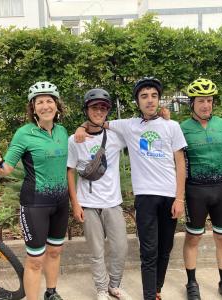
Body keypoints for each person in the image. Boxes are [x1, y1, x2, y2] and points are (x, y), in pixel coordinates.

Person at [76, 77, 187, 300]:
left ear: (159, 99)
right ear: (137, 101)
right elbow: (98, 122)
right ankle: (149, 296)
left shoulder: (172, 126)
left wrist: (180, 198)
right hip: (145, 196)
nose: (150, 100)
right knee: (148, 251)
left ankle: (157, 290)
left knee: (165, 248)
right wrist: (80, 126)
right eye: (144, 96)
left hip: (169, 196)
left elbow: (180, 163)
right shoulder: (128, 125)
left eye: (154, 96)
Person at [0, 81, 68, 300]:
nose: (45, 106)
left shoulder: (62, 131)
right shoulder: (24, 133)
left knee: (55, 251)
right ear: (33, 108)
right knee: (35, 260)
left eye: (49, 101)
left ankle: (51, 293)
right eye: (39, 102)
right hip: (35, 204)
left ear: (57, 105)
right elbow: (6, 169)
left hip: (61, 202)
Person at [67, 88, 132, 300]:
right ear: (86, 109)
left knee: (120, 248)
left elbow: (138, 127)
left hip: (112, 203)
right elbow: (70, 171)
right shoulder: (74, 140)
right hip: (88, 203)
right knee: (96, 252)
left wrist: (162, 116)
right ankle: (102, 289)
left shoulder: (115, 137)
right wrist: (75, 204)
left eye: (103, 107)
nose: (99, 111)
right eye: (95, 107)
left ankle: (114, 285)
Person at [181, 78, 222, 300]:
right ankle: (192, 283)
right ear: (192, 103)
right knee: (193, 238)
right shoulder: (182, 128)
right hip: (195, 191)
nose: (206, 105)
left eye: (209, 100)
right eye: (201, 101)